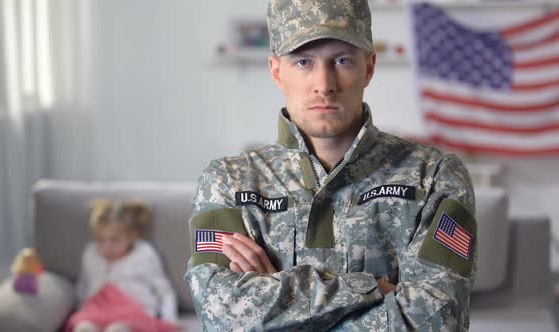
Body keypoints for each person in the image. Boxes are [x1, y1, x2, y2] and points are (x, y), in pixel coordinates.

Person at [185, 0, 477, 330]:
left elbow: (437, 321)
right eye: (303, 62)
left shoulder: (435, 176)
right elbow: (220, 314)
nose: (324, 84)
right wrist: (369, 289)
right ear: (276, 71)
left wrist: (278, 310)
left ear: (369, 67)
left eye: (342, 60)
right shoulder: (229, 183)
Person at [66, 200, 179, 332]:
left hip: (135, 314)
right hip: (96, 311)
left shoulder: (144, 254)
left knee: (117, 330)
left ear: (132, 236)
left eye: (114, 240)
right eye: (100, 240)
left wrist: (169, 320)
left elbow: (165, 292)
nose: (106, 247)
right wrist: (83, 310)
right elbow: (83, 288)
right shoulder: (90, 253)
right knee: (83, 328)